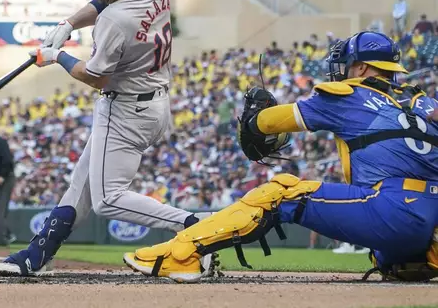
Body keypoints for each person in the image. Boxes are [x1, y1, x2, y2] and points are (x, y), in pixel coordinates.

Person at [123, 31, 438, 283]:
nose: (342, 72)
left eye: (347, 65)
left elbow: (268, 123)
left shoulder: (350, 94)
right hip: (432, 222)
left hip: (394, 210)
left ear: (363, 68)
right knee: (391, 258)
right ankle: (407, 259)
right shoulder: (424, 103)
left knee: (281, 192)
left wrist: (254, 119)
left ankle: (180, 256)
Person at [0, 0, 214, 277]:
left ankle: (195, 226)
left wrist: (56, 57)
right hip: (152, 102)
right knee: (81, 184)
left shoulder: (114, 21)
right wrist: (67, 25)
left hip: (125, 110)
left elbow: (95, 76)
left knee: (107, 199)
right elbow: (103, 1)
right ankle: (38, 254)